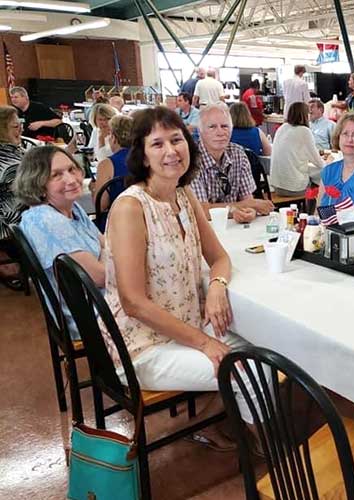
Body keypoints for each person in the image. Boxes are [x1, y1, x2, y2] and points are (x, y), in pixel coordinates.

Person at [104, 106, 258, 450]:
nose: (171, 151)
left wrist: (217, 286)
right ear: (142, 156)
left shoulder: (183, 195)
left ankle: (210, 421)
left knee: (263, 349)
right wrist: (205, 343)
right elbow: (133, 302)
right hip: (144, 345)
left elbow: (218, 258)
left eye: (176, 140)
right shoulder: (131, 207)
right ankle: (269, 448)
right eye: (157, 144)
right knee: (248, 369)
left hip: (185, 323)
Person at [14, 146, 104, 340]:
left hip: (102, 298)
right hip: (91, 315)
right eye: (56, 175)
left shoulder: (71, 207)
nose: (71, 180)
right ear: (37, 183)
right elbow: (99, 276)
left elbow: (107, 244)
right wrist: (112, 253)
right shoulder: (45, 220)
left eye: (72, 169)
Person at [190, 103, 273, 224]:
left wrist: (251, 211)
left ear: (231, 129)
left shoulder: (238, 153)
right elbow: (201, 210)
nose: (220, 132)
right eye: (212, 127)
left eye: (224, 126)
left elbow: (248, 200)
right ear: (200, 131)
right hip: (203, 231)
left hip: (234, 229)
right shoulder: (192, 160)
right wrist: (239, 207)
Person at [270, 102, 325, 197]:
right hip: (293, 188)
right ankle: (313, 211)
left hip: (276, 185)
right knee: (321, 186)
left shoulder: (282, 128)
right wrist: (329, 161)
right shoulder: (304, 131)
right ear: (305, 115)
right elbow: (319, 163)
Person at [0, 106, 25, 290]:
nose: (21, 129)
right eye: (15, 126)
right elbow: (30, 191)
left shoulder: (13, 151)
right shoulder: (7, 161)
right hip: (9, 223)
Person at [92, 114, 133, 215]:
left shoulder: (107, 164)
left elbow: (101, 205)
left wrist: (93, 189)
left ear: (113, 137)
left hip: (116, 220)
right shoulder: (148, 159)